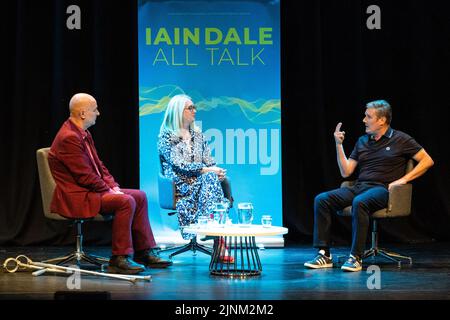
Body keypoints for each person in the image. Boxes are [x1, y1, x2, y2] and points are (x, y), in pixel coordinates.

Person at [48, 93, 172, 275]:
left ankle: (144, 251)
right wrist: (110, 191)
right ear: (82, 113)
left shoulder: (83, 133)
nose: (98, 113)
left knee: (139, 195)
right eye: (94, 109)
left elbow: (99, 167)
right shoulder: (69, 137)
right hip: (78, 195)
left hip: (91, 190)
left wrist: (113, 186)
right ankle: (119, 258)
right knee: (126, 201)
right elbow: (85, 177)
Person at [304, 100, 434, 272]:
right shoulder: (362, 141)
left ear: (382, 120)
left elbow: (427, 160)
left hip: (382, 190)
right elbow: (346, 172)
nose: (364, 120)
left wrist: (403, 179)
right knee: (322, 199)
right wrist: (338, 144)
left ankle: (355, 257)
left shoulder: (401, 139)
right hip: (359, 186)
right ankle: (324, 254)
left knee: (360, 202)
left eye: (368, 116)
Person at [157, 94, 233, 262]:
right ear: (178, 111)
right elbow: (179, 165)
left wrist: (217, 170)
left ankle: (213, 234)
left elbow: (209, 160)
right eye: (190, 108)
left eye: (194, 107)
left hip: (201, 181)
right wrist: (207, 170)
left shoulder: (198, 135)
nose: (195, 111)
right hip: (180, 184)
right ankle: (217, 238)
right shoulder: (167, 137)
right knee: (210, 179)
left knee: (212, 179)